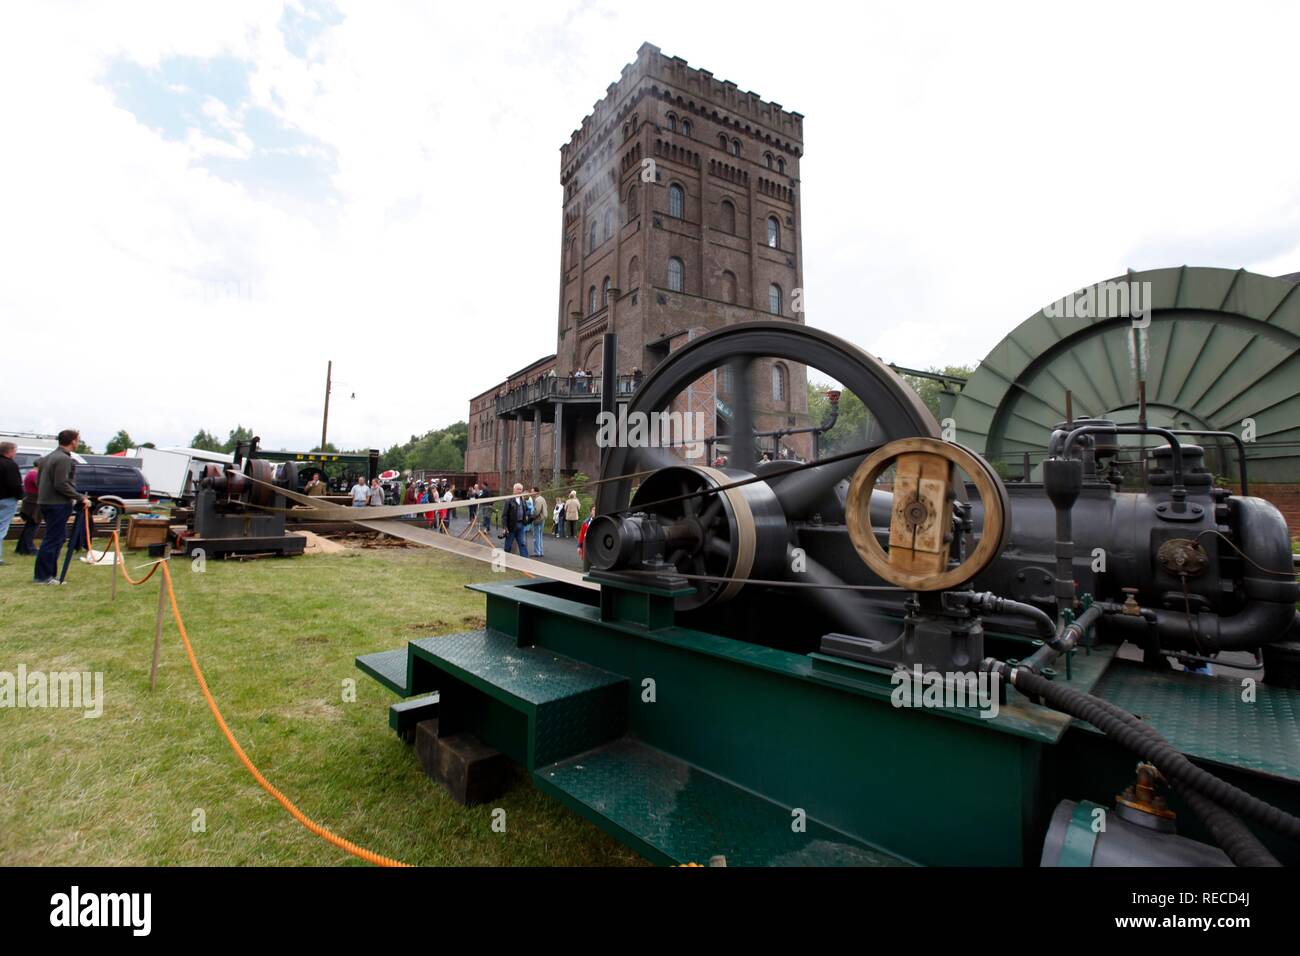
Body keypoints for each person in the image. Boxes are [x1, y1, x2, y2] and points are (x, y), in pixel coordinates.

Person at [34, 429, 91, 584]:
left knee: (57, 538)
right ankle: (44, 576)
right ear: (72, 441)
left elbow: (39, 482)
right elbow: (61, 484)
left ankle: (49, 574)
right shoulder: (63, 459)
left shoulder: (47, 458)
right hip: (57, 503)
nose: (78, 442)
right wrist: (80, 497)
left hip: (46, 502)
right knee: (53, 539)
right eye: (78, 439)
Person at [0, 442, 22, 566]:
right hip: (7, 499)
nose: (15, 453)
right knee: (2, 528)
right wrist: (20, 495)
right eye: (14, 451)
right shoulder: (10, 465)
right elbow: (14, 484)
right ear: (9, 452)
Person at [15, 461, 41, 555]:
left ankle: (22, 547)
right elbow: (41, 486)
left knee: (29, 526)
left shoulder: (30, 473)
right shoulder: (35, 475)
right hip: (33, 504)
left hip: (30, 503)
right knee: (32, 527)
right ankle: (29, 548)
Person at [501, 482, 529, 556]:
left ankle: (525, 560)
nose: (519, 491)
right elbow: (504, 515)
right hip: (511, 526)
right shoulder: (509, 500)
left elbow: (526, 510)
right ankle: (506, 558)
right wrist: (505, 527)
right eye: (518, 489)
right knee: (508, 545)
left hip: (521, 525)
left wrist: (526, 516)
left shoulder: (523, 500)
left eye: (521, 489)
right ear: (514, 490)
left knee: (522, 543)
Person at [530, 486, 547, 557]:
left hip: (538, 519)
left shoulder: (537, 500)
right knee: (540, 536)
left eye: (532, 492)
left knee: (536, 536)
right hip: (543, 518)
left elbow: (536, 511)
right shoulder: (542, 498)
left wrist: (531, 516)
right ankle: (541, 551)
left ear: (536, 492)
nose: (531, 493)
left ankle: (537, 552)